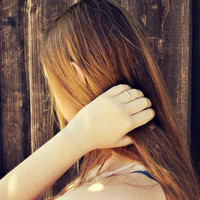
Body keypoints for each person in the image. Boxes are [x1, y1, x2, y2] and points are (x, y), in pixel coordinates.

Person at [0, 0, 199, 200]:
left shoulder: (96, 194)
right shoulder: (159, 172)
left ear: (77, 74)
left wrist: (76, 135)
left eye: (52, 83)